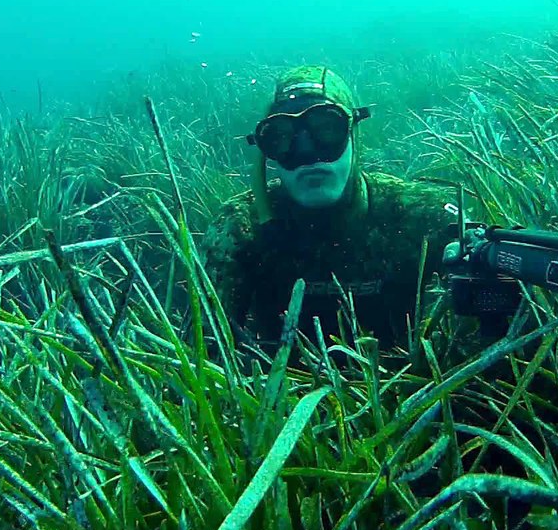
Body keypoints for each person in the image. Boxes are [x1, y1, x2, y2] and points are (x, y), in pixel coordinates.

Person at [198, 64, 463, 358]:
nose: (308, 155)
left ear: (353, 133)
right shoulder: (241, 226)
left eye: (327, 129)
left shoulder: (423, 215)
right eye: (283, 138)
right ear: (266, 149)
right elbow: (206, 351)